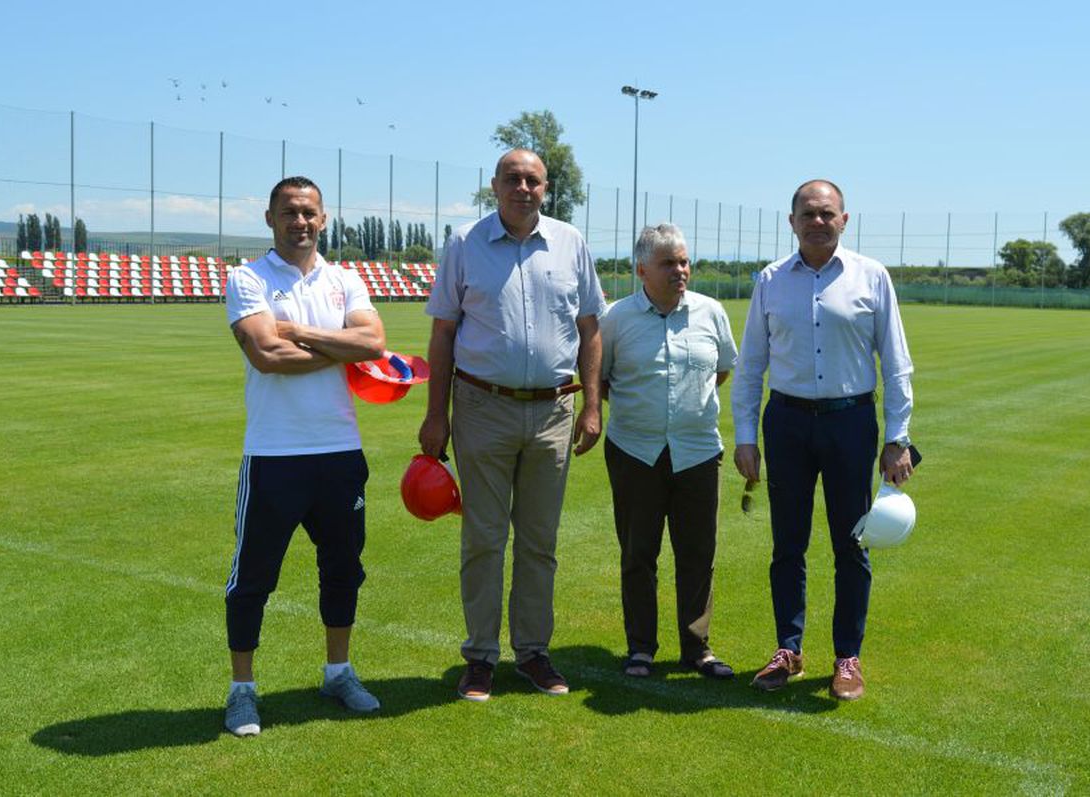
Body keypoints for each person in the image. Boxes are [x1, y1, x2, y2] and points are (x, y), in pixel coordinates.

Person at [418, 148, 605, 702]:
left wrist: (593, 406)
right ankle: (480, 657)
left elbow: (590, 329)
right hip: (482, 407)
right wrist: (436, 415)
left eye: (533, 180)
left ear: (546, 188)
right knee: (484, 538)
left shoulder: (570, 242)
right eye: (513, 179)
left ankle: (533, 653)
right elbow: (443, 333)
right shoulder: (464, 243)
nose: (523, 188)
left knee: (539, 542)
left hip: (553, 411)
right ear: (494, 185)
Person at [730, 180, 915, 701]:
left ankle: (847, 657)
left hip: (850, 423)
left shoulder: (871, 276)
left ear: (844, 220)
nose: (818, 221)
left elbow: (896, 363)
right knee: (787, 544)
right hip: (786, 423)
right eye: (808, 214)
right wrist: (745, 437)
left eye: (827, 213)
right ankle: (787, 649)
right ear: (791, 221)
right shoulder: (771, 280)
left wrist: (898, 437)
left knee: (851, 544)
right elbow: (751, 366)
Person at [222, 176, 388, 736]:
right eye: (289, 212)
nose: (300, 221)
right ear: (270, 218)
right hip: (275, 453)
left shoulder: (345, 278)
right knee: (254, 576)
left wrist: (297, 331)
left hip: (340, 452)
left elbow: (373, 343)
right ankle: (242, 690)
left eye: (309, 212)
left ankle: (338, 673)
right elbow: (267, 354)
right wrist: (338, 345)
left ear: (324, 219)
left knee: (343, 570)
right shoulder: (248, 278)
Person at [600, 224, 738, 680]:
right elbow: (601, 379)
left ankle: (697, 647)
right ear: (642, 270)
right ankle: (641, 647)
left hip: (697, 451)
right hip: (634, 451)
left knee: (698, 553)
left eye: (683, 261)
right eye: (668, 263)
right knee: (638, 554)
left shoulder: (711, 312)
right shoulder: (616, 319)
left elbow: (721, 371)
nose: (680, 270)